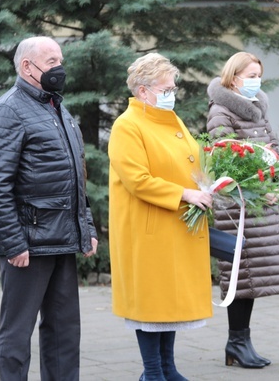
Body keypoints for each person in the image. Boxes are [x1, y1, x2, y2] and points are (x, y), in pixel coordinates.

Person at [0, 36, 98, 381]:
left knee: (64, 331)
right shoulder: (9, 109)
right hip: (28, 244)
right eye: (51, 61)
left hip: (62, 238)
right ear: (27, 67)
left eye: (60, 60)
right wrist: (14, 243)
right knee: (17, 333)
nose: (58, 68)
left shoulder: (56, 105)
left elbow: (77, 176)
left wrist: (85, 228)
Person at [108, 53, 214, 381]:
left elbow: (189, 161)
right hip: (148, 228)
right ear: (143, 91)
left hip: (176, 226)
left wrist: (210, 182)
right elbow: (137, 179)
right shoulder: (128, 125)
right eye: (165, 88)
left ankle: (168, 367)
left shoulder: (169, 119)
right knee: (150, 305)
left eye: (173, 87)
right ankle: (152, 372)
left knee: (170, 305)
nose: (172, 93)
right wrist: (185, 194)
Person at [206, 52, 279, 368]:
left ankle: (241, 341)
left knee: (253, 277)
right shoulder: (221, 112)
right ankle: (236, 342)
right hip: (239, 207)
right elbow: (226, 161)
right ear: (233, 78)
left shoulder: (258, 108)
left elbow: (273, 150)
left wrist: (277, 186)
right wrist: (258, 193)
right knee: (241, 276)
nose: (256, 81)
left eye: (259, 75)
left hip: (261, 207)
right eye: (250, 75)